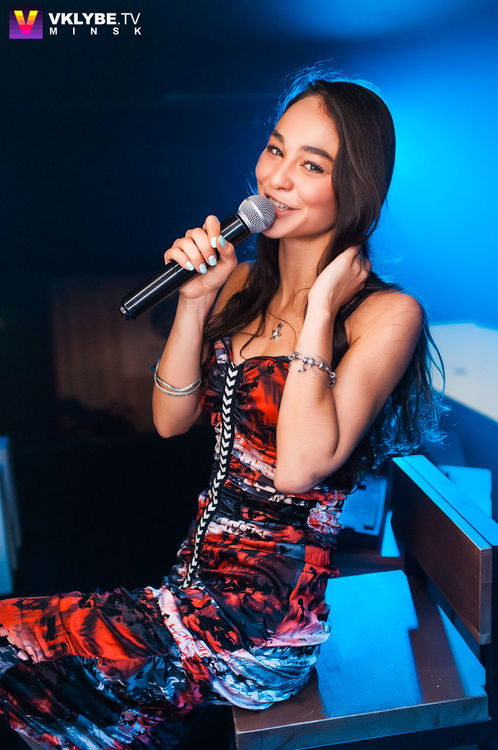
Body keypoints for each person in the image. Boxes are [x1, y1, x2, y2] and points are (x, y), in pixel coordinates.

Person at [0, 68, 444, 749]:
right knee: (65, 707)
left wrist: (319, 308)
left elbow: (298, 469)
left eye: (311, 165)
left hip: (262, 628)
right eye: (275, 149)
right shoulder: (238, 285)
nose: (277, 179)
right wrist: (195, 300)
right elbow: (169, 420)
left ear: (355, 190)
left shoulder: (385, 315)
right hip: (187, 591)